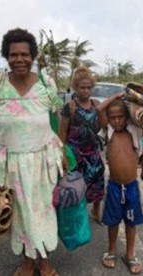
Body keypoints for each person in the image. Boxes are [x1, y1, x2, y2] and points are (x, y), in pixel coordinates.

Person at [0, 28, 65, 276]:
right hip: (10, 161)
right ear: (6, 56)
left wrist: (63, 151)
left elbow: (58, 118)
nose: (19, 59)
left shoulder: (47, 84)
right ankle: (28, 261)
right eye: (13, 54)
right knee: (18, 213)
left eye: (25, 54)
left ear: (33, 56)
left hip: (43, 160)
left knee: (43, 210)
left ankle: (44, 258)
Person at [58, 65, 108, 224]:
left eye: (88, 88)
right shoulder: (70, 107)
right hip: (75, 154)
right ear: (75, 88)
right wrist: (63, 155)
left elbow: (102, 125)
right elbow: (62, 133)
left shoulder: (95, 105)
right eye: (82, 88)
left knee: (98, 181)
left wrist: (101, 112)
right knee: (76, 186)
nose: (85, 91)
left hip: (93, 153)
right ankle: (77, 217)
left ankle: (96, 210)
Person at [101, 98, 143, 275]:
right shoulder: (107, 131)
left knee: (131, 222)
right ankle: (111, 250)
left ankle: (130, 254)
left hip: (132, 186)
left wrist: (131, 102)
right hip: (113, 186)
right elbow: (99, 111)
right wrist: (118, 96)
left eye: (121, 116)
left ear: (127, 117)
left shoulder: (135, 131)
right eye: (113, 117)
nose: (117, 120)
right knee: (112, 222)